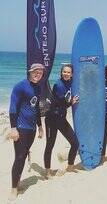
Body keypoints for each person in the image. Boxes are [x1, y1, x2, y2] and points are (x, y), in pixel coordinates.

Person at [8, 63, 45, 201]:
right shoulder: (20, 86)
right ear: (30, 72)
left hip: (32, 129)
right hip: (20, 127)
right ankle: (13, 189)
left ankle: (17, 181)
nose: (38, 74)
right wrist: (13, 128)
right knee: (19, 157)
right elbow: (13, 107)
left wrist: (40, 126)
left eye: (40, 73)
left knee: (23, 156)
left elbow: (36, 109)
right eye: (36, 72)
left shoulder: (38, 87)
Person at [43, 64, 79, 178]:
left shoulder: (70, 83)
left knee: (75, 143)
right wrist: (71, 102)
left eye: (68, 72)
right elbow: (60, 103)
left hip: (61, 118)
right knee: (50, 145)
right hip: (52, 119)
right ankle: (48, 171)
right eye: (64, 72)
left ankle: (70, 166)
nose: (66, 74)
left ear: (72, 74)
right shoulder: (58, 85)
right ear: (61, 73)